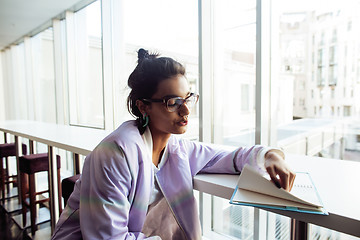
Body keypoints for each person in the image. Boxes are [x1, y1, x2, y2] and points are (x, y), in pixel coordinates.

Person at [52, 48, 296, 240]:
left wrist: (271, 156)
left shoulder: (179, 150)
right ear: (143, 106)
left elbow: (233, 157)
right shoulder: (114, 154)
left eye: (188, 97)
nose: (186, 109)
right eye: (173, 101)